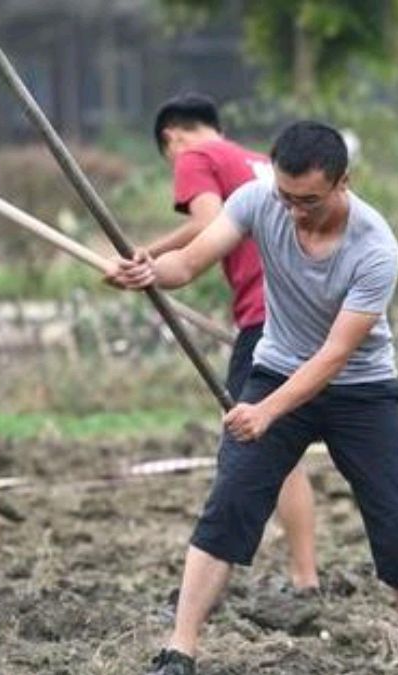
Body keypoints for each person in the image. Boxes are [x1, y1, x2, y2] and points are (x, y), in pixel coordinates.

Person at [108, 122, 398, 675]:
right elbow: (192, 260)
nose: (295, 211)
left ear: (344, 181)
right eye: (286, 197)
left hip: (359, 390)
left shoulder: (375, 247)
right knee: (229, 505)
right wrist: (151, 270)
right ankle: (179, 652)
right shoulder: (256, 200)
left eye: (310, 201)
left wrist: (266, 412)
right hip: (276, 369)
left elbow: (334, 356)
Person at [145, 93, 319, 592]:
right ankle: (304, 577)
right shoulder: (262, 162)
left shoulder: (195, 156)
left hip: (266, 317)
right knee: (281, 449)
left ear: (172, 137)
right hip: (305, 311)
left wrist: (143, 257)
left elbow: (203, 224)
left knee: (249, 449)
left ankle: (212, 591)